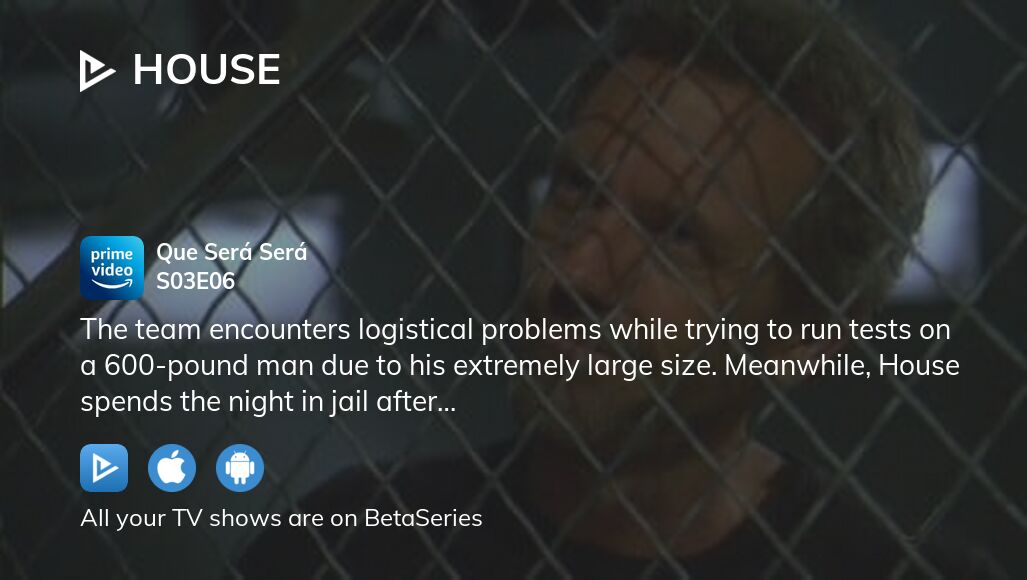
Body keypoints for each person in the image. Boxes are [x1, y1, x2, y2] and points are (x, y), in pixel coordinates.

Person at [240, 0, 1003, 577]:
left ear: (802, 336)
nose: (573, 272)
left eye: (677, 236)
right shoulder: (348, 544)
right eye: (574, 190)